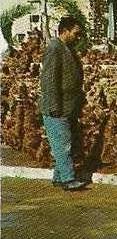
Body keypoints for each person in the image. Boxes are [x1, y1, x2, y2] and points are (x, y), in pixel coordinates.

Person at [39, 16, 87, 191]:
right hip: (57, 108)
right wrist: (53, 107)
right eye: (76, 33)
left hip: (68, 107)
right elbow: (49, 81)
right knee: (63, 144)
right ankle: (68, 179)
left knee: (64, 143)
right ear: (64, 31)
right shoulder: (54, 48)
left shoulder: (67, 48)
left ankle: (59, 177)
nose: (78, 37)